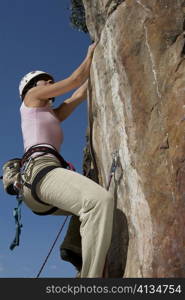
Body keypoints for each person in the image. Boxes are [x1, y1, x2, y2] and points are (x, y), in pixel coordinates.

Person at [18, 43, 114, 278]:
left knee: (90, 208)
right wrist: (92, 52)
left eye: (51, 81)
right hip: (40, 172)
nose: (50, 84)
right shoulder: (30, 98)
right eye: (46, 81)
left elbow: (78, 94)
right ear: (32, 87)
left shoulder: (51, 114)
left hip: (40, 188)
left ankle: (80, 266)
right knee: (99, 202)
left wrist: (105, 61)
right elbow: (73, 80)